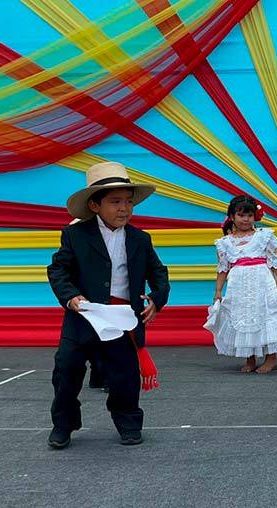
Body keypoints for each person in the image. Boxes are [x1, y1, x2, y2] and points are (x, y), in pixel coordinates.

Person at [46, 161, 170, 449]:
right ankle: (63, 425)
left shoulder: (140, 238)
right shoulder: (76, 235)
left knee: (125, 374)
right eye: (115, 202)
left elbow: (159, 273)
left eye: (128, 202)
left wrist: (156, 298)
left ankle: (129, 423)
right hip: (83, 317)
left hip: (122, 318)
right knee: (66, 370)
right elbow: (58, 269)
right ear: (94, 205)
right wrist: (71, 296)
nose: (124, 208)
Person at [205, 195, 277, 373]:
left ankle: (270, 357)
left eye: (249, 215)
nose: (246, 219)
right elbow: (223, 268)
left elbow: (275, 261)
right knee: (243, 316)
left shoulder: (264, 236)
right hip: (238, 284)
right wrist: (218, 291)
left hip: (261, 281)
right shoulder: (225, 242)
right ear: (232, 217)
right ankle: (250, 358)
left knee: (264, 315)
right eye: (241, 215)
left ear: (255, 216)